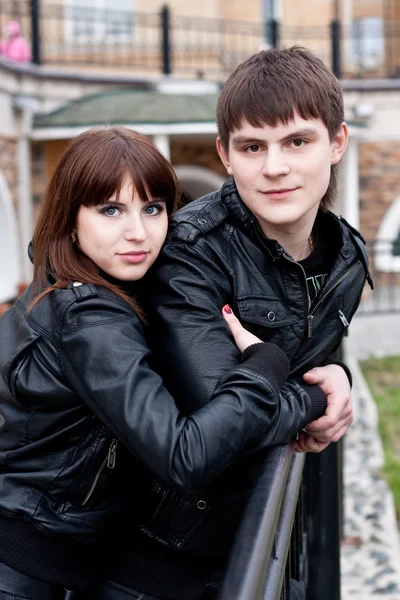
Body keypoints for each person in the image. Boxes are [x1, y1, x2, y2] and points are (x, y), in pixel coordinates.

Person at [94, 47, 374, 599]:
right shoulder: (190, 252)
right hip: (158, 563)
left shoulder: (347, 259)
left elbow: (302, 368)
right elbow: (219, 416)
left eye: (297, 141)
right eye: (253, 146)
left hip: (266, 541)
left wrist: (333, 373)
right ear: (226, 154)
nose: (275, 167)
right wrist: (321, 397)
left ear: (337, 142)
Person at [0, 126, 325, 600]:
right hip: (22, 571)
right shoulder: (89, 319)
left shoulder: (90, 284)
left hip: (57, 565)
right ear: (71, 218)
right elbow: (185, 456)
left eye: (152, 208)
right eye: (110, 210)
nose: (138, 232)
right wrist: (279, 375)